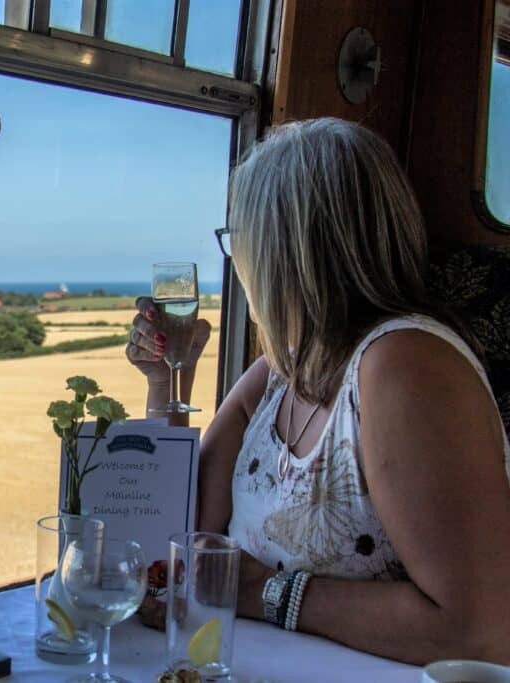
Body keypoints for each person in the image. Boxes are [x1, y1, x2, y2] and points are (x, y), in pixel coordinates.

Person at [127, 118, 510, 665]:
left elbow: (479, 631)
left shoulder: (404, 365)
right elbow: (183, 535)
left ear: (286, 250)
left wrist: (261, 593)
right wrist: (167, 378)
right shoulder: (278, 374)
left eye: (239, 241)